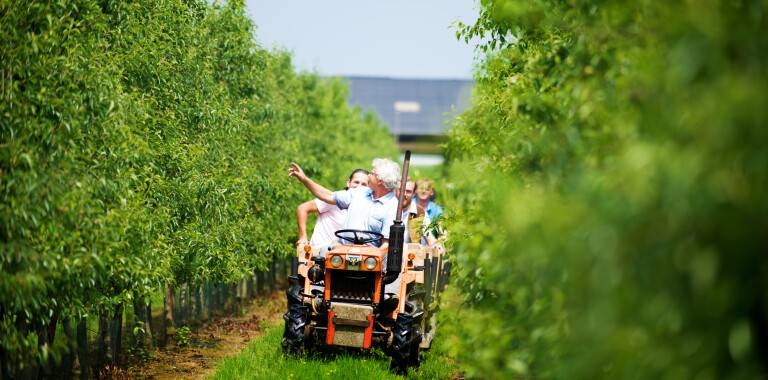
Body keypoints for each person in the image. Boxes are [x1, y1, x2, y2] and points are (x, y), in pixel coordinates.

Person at [288, 158, 401, 249]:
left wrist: (376, 259)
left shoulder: (392, 206)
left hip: (370, 258)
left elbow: (386, 245)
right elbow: (327, 196)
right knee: (321, 256)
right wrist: (304, 179)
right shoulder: (360, 193)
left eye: (371, 173)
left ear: (380, 181)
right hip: (342, 250)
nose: (368, 176)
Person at [295, 169, 369, 248]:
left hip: (343, 254)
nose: (359, 187)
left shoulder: (367, 207)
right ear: (348, 183)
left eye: (363, 184)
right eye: (356, 182)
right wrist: (303, 237)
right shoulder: (335, 200)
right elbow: (303, 208)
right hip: (320, 251)